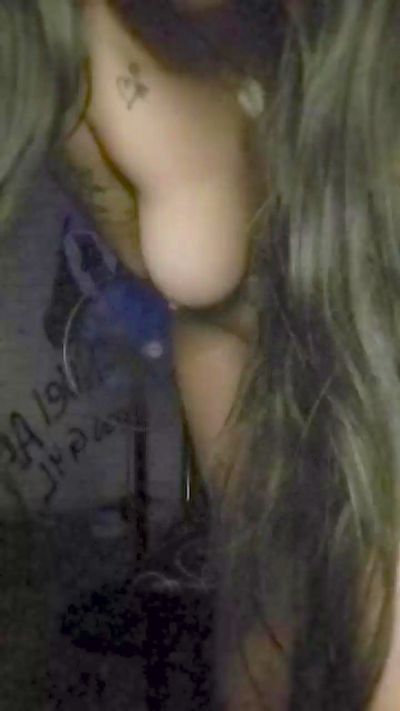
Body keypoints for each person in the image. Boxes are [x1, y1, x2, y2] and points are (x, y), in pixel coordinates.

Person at [2, 2, 400, 711]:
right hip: (240, 383)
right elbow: (143, 244)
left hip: (379, 387)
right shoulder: (62, 38)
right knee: (267, 658)